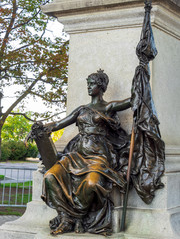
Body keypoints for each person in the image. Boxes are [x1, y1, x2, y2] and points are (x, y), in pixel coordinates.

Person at [41, 69, 131, 235]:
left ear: (101, 87)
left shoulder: (108, 107)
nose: (89, 87)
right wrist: (40, 128)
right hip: (77, 156)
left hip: (98, 156)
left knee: (91, 184)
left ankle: (78, 217)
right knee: (50, 176)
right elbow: (57, 125)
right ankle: (66, 218)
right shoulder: (81, 109)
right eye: (88, 84)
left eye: (92, 84)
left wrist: (143, 70)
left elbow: (133, 100)